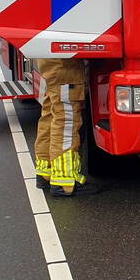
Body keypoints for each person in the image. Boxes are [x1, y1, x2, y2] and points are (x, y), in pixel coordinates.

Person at [33, 58, 98, 197]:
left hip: (53, 65)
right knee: (66, 120)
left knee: (50, 115)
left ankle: (46, 172)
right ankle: (65, 182)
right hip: (64, 67)